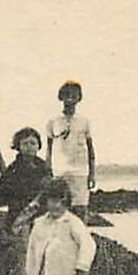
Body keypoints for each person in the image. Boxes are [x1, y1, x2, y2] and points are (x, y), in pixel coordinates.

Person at [46, 80, 97, 219]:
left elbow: (90, 149)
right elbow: (49, 149)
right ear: (61, 97)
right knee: (59, 212)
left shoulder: (84, 121)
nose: (70, 98)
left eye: (74, 95)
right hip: (59, 172)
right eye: (66, 95)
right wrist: (48, 171)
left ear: (79, 98)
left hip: (80, 173)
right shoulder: (53, 121)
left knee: (80, 211)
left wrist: (92, 174)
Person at [0, 126, 53, 229]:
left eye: (33, 143)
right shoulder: (13, 168)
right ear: (18, 146)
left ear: (39, 146)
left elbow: (50, 189)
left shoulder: (43, 167)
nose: (29, 147)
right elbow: (1, 190)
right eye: (25, 143)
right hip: (18, 214)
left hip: (39, 213)